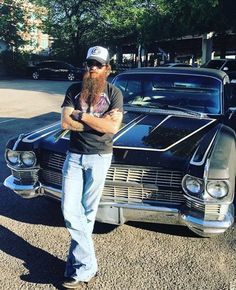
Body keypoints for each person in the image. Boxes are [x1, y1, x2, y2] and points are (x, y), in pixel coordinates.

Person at [60, 46, 123, 289]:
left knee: (87, 213)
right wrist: (98, 123)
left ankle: (77, 268)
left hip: (99, 157)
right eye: (89, 64)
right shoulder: (73, 89)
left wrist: (83, 117)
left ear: (107, 68)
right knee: (69, 210)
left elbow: (111, 128)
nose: (93, 68)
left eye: (98, 64)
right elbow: (65, 122)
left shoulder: (114, 93)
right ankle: (88, 265)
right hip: (74, 157)